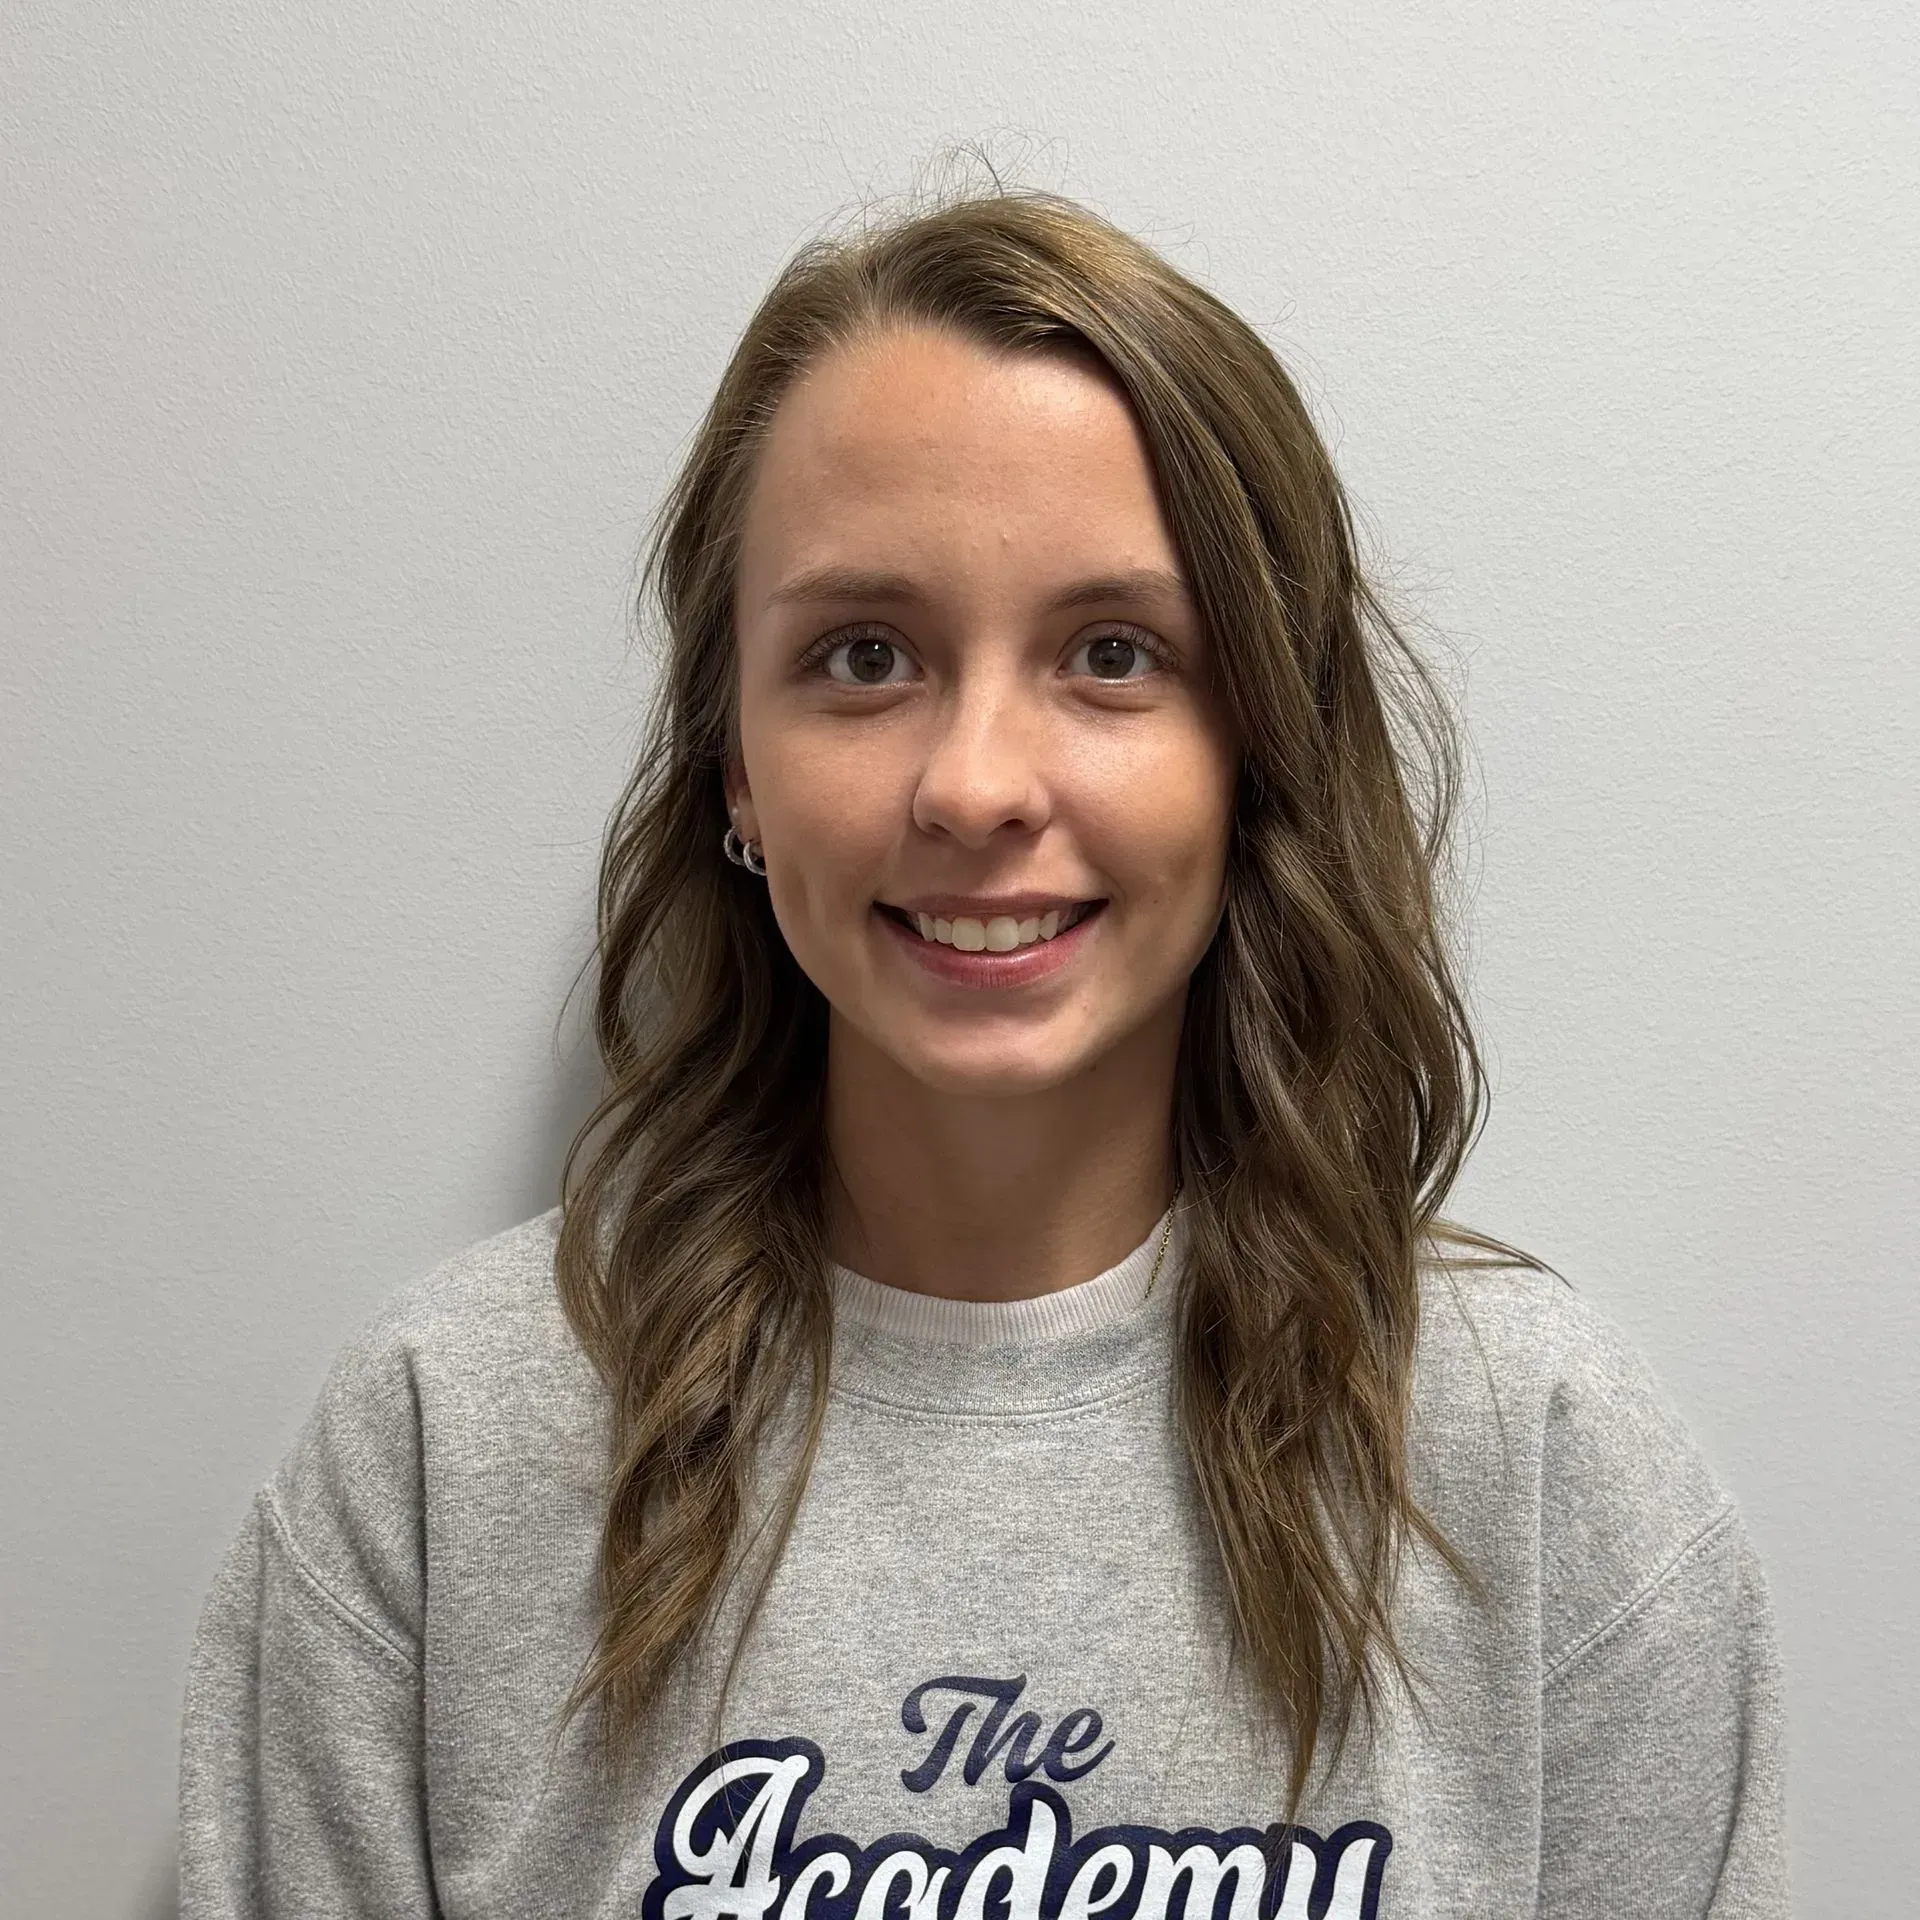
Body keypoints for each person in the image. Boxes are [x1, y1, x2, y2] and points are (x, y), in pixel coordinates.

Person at [177, 188, 1789, 1919]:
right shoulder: (441, 1460)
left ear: (1256, 746)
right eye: (864, 657)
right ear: (735, 764)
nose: (976, 786)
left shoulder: (1542, 1472)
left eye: (1114, 656)